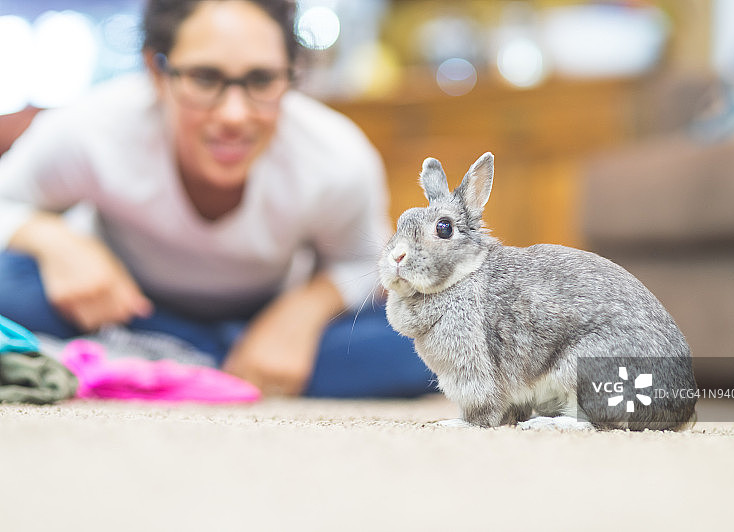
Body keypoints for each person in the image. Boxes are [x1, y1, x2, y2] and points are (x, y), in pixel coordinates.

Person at [0, 0, 436, 398]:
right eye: (205, 78)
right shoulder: (91, 129)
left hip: (265, 315)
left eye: (261, 80)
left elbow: (365, 265)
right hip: (123, 306)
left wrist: (302, 314)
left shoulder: (336, 157)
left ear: (290, 75)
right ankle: (225, 366)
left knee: (431, 331)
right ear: (156, 71)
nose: (233, 115)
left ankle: (167, 361)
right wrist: (54, 240)